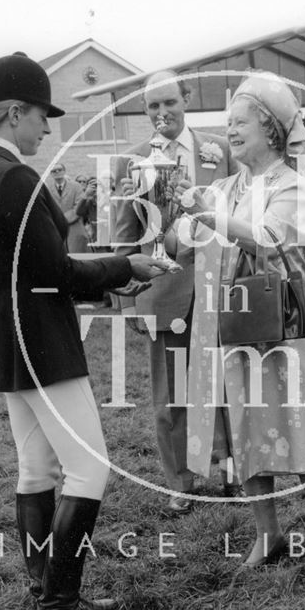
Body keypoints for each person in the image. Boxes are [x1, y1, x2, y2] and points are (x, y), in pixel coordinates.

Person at [0, 52, 168, 610]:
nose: (48, 128)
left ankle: (46, 595)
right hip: (43, 337)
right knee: (89, 469)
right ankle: (59, 605)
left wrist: (110, 260)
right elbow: (59, 275)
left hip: (6, 330)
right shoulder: (18, 178)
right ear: (14, 113)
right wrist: (127, 265)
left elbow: (37, 265)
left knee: (35, 469)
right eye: (41, 117)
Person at [174, 72, 305, 583]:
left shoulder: (293, 184)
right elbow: (184, 243)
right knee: (247, 432)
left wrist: (210, 217)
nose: (230, 130)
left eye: (240, 121)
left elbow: (270, 240)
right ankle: (266, 533)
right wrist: (177, 217)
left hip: (286, 330)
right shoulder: (225, 187)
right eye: (228, 122)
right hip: (235, 326)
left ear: (271, 130)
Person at [114, 70, 239, 514]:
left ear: (186, 99)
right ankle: (179, 483)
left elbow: (239, 213)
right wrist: (128, 301)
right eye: (152, 106)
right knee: (170, 396)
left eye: (170, 102)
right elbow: (123, 239)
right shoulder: (128, 161)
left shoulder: (219, 150)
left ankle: (230, 471)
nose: (162, 112)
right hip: (162, 291)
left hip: (215, 285)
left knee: (224, 386)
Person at [46, 163, 89, 254]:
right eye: (54, 171)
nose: (57, 172)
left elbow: (79, 206)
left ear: (64, 171)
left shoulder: (76, 186)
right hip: (56, 231)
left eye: (59, 170)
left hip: (75, 228)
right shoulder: (47, 189)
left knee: (77, 259)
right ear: (51, 173)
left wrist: (62, 219)